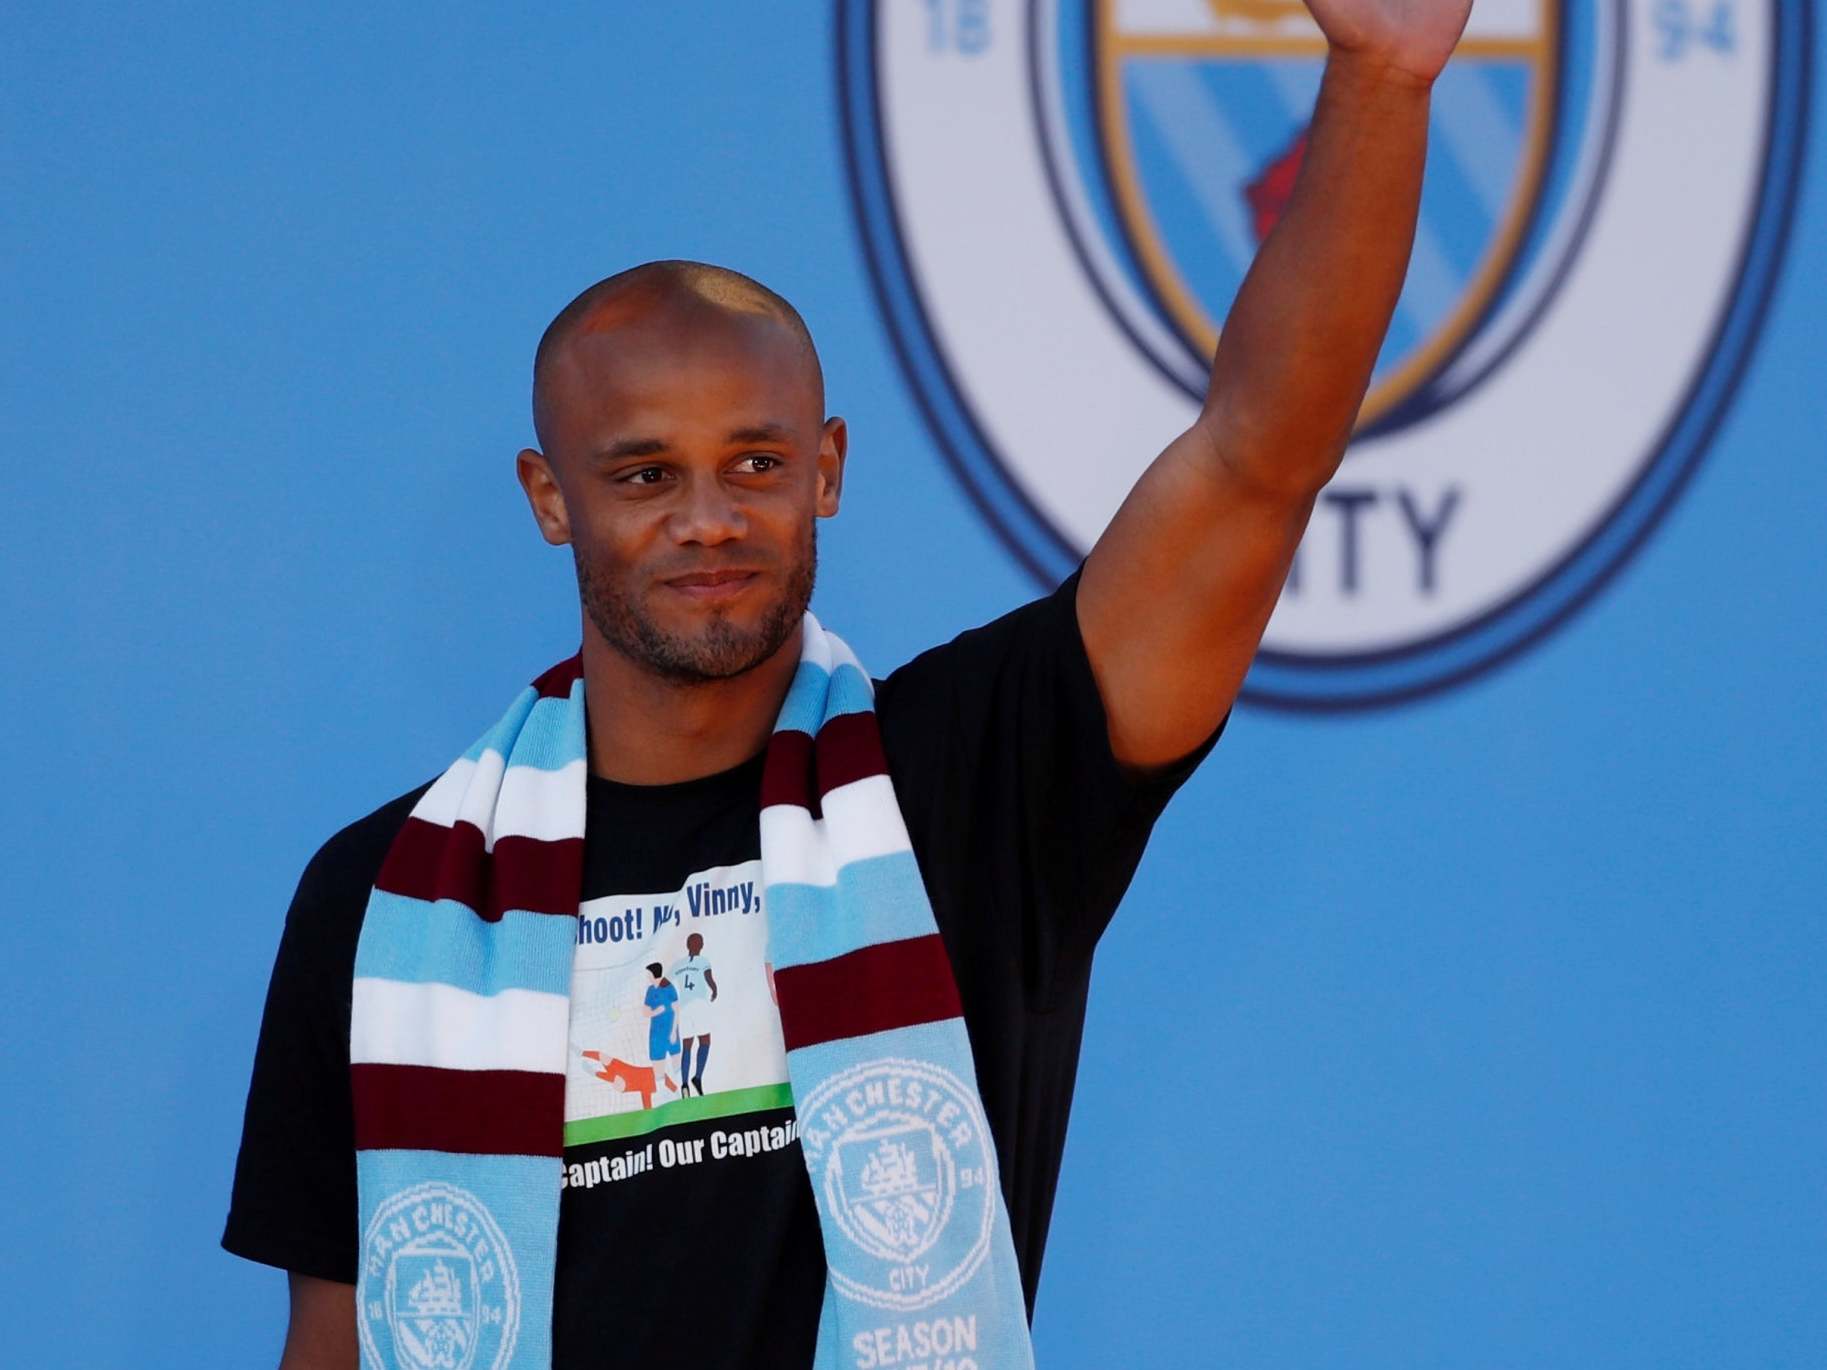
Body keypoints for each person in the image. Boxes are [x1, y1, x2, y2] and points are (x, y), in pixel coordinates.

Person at [221, 6, 1473, 1365]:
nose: (707, 517)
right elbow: (333, 1342)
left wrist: (1377, 79)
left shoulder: (976, 778)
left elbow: (1253, 462)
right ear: (548, 496)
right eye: (643, 474)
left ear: (825, 466)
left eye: (753, 463)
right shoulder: (386, 895)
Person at [669, 932, 717, 1095]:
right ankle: (697, 1077)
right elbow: (709, 978)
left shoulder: (678, 964)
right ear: (701, 946)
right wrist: (714, 989)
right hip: (699, 1006)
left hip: (685, 1008)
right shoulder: (703, 961)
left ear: (687, 946)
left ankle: (684, 1084)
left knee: (687, 1046)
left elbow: (664, 983)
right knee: (705, 1041)